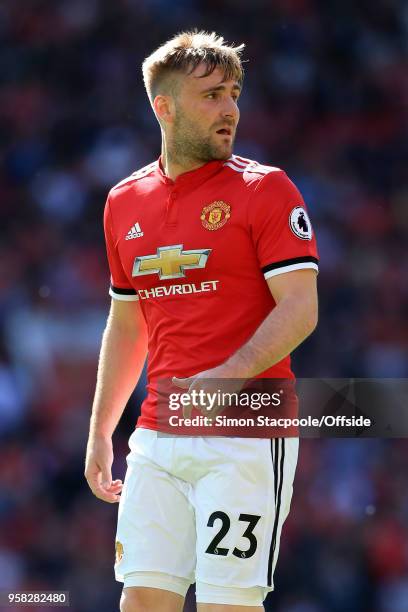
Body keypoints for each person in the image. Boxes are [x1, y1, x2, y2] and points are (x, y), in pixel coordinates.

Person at [85, 30, 319, 612]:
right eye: (212, 95)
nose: (231, 109)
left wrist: (229, 374)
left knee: (227, 607)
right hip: (158, 433)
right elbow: (127, 323)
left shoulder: (266, 189)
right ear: (163, 107)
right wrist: (100, 430)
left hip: (246, 431)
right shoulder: (123, 201)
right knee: (141, 602)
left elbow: (301, 307)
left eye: (234, 93)